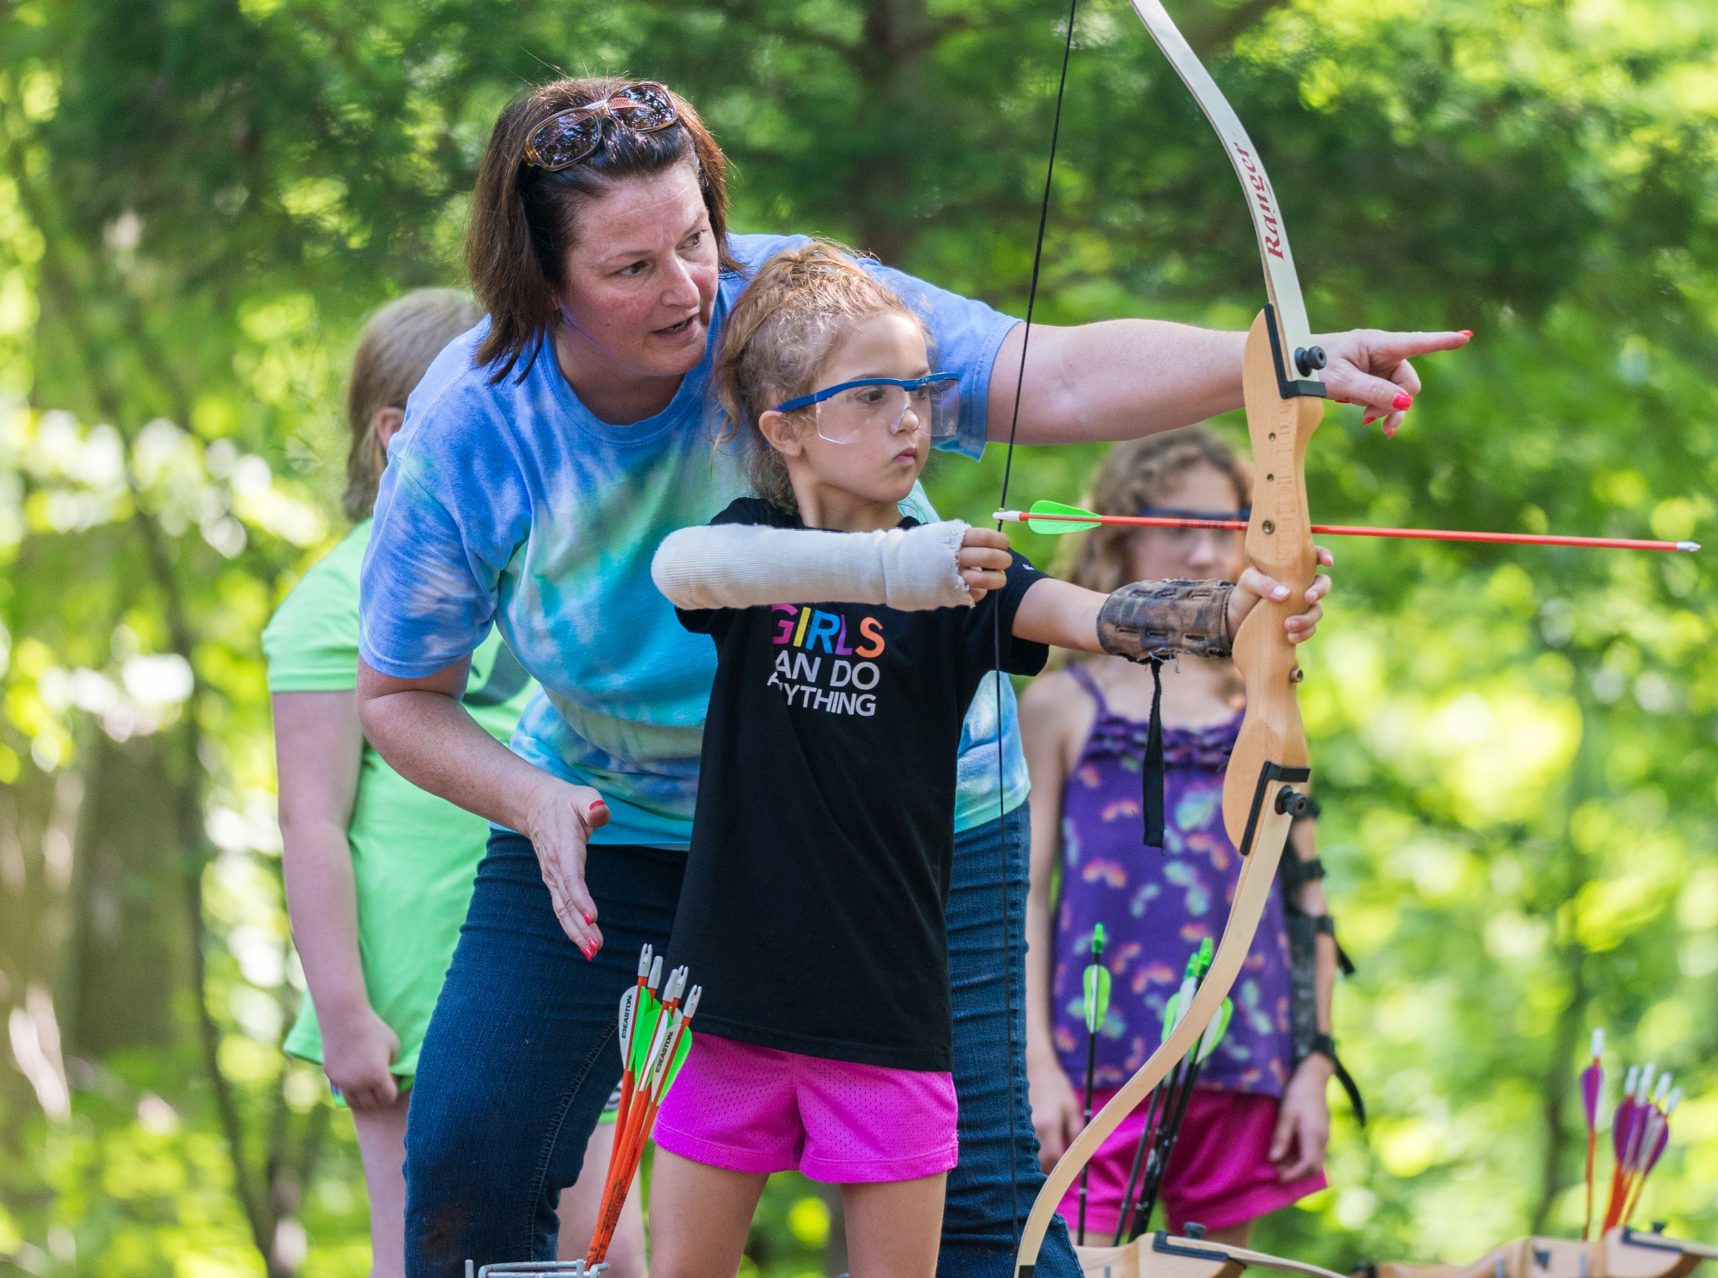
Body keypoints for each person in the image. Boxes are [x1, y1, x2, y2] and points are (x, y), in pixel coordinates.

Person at [352, 75, 1456, 1276]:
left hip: (906, 823)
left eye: (695, 238)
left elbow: (1059, 378)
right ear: (539, 279)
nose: (685, 288)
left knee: (985, 1209)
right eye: (630, 270)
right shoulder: (475, 424)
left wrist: (1279, 368)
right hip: (609, 821)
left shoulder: (796, 310)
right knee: (472, 1162)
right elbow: (400, 695)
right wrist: (530, 799)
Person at [643, 241, 1300, 1278]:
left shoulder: (968, 576)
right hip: (728, 1007)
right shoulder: (757, 546)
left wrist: (1240, 609)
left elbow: (1109, 618)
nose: (911, 417)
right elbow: (685, 569)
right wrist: (898, 568)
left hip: (889, 1017)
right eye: (870, 396)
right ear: (789, 430)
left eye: (920, 390)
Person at [265, 291, 644, 1277]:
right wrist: (343, 1007)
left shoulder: (546, 569)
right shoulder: (331, 598)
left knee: (609, 1246)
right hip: (409, 997)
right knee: (424, 1242)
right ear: (399, 435)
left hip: (563, 966)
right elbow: (311, 821)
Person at [1022, 428, 1340, 1249]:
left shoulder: (1264, 706)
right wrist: (1035, 1061)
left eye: (1224, 527)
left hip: (1242, 1059)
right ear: (1121, 529)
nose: (1202, 552)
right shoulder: (1063, 706)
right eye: (1175, 525)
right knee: (1078, 1263)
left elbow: (1306, 899)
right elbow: (1019, 892)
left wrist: (1314, 1061)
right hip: (1096, 1063)